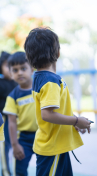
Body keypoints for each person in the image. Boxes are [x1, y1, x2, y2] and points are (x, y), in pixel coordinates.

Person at [24, 27, 91, 176]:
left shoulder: (40, 77)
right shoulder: (51, 81)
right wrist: (76, 120)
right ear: (58, 53)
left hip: (57, 146)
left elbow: (58, 110)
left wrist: (72, 124)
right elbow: (47, 115)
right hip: (52, 148)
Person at [3, 52, 37, 176]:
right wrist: (15, 145)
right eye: (15, 70)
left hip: (43, 135)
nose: (20, 73)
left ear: (32, 69)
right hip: (23, 139)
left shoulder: (41, 88)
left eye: (23, 68)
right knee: (20, 171)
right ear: (11, 74)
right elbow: (11, 123)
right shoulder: (13, 96)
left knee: (45, 169)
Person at [0, 51, 18, 176]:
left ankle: (15, 171)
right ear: (0, 67)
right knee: (4, 147)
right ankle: (5, 171)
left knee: (16, 144)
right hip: (4, 118)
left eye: (12, 66)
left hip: (17, 119)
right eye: (6, 66)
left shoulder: (17, 83)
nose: (10, 69)